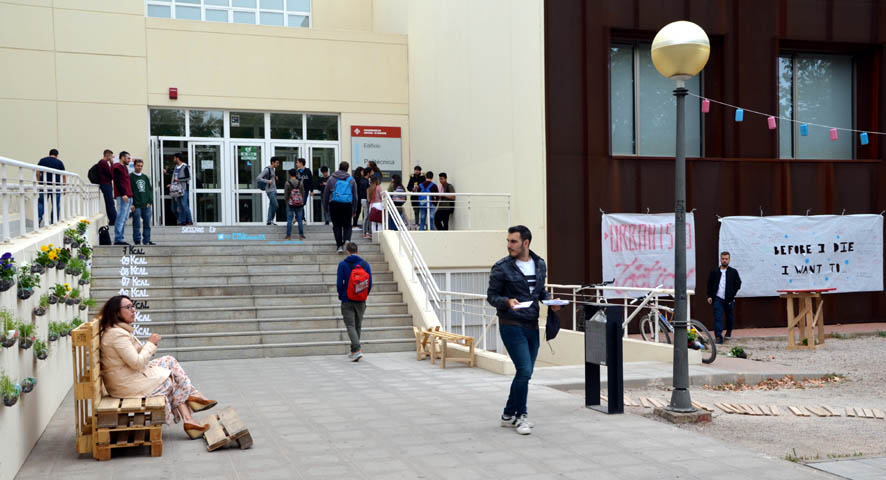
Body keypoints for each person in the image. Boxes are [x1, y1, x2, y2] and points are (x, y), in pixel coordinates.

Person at [98, 295, 216, 439]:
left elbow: (132, 359)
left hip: (128, 376)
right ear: (117, 312)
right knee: (169, 380)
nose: (133, 310)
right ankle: (190, 410)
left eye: (133, 306)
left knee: (169, 361)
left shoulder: (119, 330)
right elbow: (137, 363)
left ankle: (193, 402)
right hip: (125, 385)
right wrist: (150, 344)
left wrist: (149, 346)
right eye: (128, 307)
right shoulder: (117, 335)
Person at [486, 225, 558, 435]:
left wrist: (551, 301)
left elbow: (539, 291)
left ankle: (508, 414)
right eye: (508, 241)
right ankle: (521, 416)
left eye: (513, 241)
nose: (509, 245)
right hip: (511, 324)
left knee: (525, 373)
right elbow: (491, 297)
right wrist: (507, 301)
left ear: (526, 243)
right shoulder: (501, 268)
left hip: (532, 324)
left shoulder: (539, 264)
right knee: (525, 370)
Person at [337, 242, 372, 362]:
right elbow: (370, 283)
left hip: (347, 299)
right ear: (357, 251)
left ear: (347, 251)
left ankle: (357, 349)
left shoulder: (342, 264)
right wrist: (364, 295)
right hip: (361, 299)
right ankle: (354, 351)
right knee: (357, 325)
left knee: (350, 325)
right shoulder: (365, 264)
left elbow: (339, 283)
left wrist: (342, 295)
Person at [706, 251, 742, 344]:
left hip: (729, 298)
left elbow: (738, 284)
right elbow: (710, 284)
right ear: (720, 259)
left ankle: (729, 330)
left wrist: (732, 294)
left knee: (729, 316)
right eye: (723, 259)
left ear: (729, 260)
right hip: (717, 298)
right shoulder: (715, 272)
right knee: (718, 317)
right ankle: (718, 336)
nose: (724, 260)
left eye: (726, 259)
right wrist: (709, 296)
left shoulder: (733, 272)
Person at [323, 161, 358, 253]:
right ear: (347, 168)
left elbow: (326, 194)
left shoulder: (331, 178)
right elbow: (355, 196)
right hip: (347, 205)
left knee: (337, 225)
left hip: (334, 204)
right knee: (347, 225)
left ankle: (339, 246)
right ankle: (346, 239)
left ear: (339, 167)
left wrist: (326, 207)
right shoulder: (351, 180)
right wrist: (354, 208)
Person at [36, 149, 65, 226]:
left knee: (41, 202)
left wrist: (39, 181)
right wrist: (64, 187)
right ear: (57, 155)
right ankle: (54, 221)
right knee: (55, 204)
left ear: (49, 154)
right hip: (56, 186)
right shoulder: (59, 162)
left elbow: (37, 172)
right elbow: (64, 175)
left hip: (44, 185)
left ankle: (38, 218)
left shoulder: (42, 160)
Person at [129, 159, 155, 245]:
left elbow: (150, 190)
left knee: (147, 224)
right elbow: (128, 190)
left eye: (141, 166)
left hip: (146, 205)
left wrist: (150, 201)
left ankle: (146, 240)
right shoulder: (130, 177)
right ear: (134, 166)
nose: (140, 167)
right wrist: (131, 203)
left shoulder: (145, 177)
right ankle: (137, 241)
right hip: (136, 205)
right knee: (136, 224)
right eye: (138, 165)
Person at [112, 151, 133, 245]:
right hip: (123, 196)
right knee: (120, 217)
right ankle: (118, 239)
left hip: (128, 196)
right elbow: (117, 181)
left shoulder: (125, 168)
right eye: (128, 158)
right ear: (122, 158)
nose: (129, 160)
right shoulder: (117, 167)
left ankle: (121, 237)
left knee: (124, 218)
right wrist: (123, 194)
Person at [168, 153, 193, 226]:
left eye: (174, 158)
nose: (173, 159)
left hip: (183, 189)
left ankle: (190, 220)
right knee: (180, 206)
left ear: (177, 158)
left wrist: (178, 180)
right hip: (176, 190)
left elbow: (188, 178)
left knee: (184, 205)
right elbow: (174, 176)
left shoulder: (185, 167)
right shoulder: (176, 167)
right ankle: (182, 221)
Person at [284, 168, 306, 241]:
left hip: (290, 203)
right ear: (296, 174)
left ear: (289, 174)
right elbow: (303, 193)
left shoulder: (287, 183)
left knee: (289, 220)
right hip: (299, 204)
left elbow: (286, 194)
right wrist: (300, 201)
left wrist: (287, 202)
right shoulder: (300, 183)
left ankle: (288, 235)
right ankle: (301, 235)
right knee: (300, 220)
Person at [257, 157, 281, 225]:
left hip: (274, 189)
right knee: (276, 205)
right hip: (270, 190)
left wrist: (275, 178)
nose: (278, 164)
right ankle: (270, 220)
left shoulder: (273, 169)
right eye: (277, 163)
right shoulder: (267, 169)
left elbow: (271, 178)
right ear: (272, 162)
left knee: (271, 205)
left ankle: (269, 221)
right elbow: (258, 178)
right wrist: (268, 181)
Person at [97, 149, 116, 226]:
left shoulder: (102, 162)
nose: (112, 157)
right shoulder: (103, 162)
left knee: (109, 203)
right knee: (110, 203)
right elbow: (111, 174)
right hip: (106, 184)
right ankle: (114, 220)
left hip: (105, 184)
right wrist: (112, 164)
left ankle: (112, 219)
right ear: (107, 155)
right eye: (111, 156)